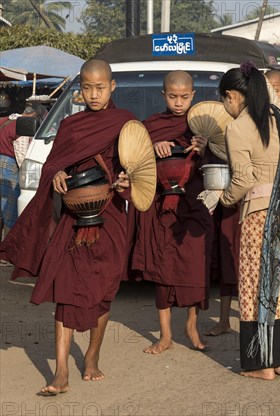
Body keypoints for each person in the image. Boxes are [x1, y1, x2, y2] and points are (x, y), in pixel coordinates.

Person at [0, 59, 136, 395]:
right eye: (87, 88)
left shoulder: (126, 124)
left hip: (111, 217)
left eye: (100, 87)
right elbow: (54, 166)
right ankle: (60, 372)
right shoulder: (71, 125)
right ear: (79, 90)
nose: (93, 94)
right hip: (74, 219)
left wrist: (126, 180)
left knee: (103, 292)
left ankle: (91, 355)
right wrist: (58, 175)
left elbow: (141, 169)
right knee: (66, 289)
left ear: (112, 87)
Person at [201, 62, 280, 380]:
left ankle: (264, 365)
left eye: (224, 101)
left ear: (231, 96)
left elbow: (242, 179)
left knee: (259, 286)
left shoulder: (237, 127)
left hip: (264, 214)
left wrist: (222, 198)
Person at [132, 70, 213, 354]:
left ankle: (191, 324)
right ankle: (165, 334)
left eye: (184, 97)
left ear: (193, 95)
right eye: (173, 96)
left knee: (195, 264)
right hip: (161, 205)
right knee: (162, 264)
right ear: (163, 95)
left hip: (193, 204)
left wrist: (206, 148)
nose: (179, 103)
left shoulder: (204, 126)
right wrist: (152, 147)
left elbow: (221, 164)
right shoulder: (151, 126)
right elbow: (133, 158)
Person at [0, 105, 42, 246]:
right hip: (8, 165)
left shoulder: (6, 119)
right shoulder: (23, 126)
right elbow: (22, 156)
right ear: (34, 116)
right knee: (9, 209)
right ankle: (8, 248)